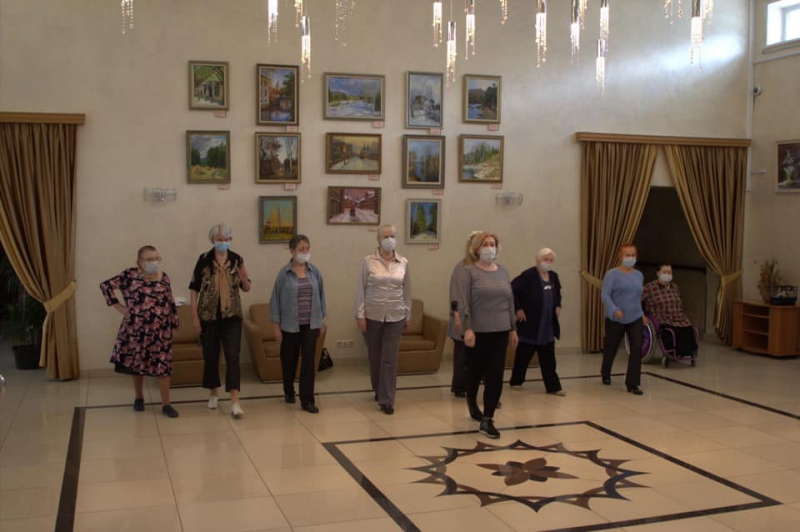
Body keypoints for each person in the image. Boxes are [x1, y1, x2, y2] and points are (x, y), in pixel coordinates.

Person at [100, 245, 180, 418]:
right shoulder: (129, 275)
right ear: (140, 261)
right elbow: (105, 286)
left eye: (157, 259)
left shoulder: (164, 277)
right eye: (150, 259)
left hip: (161, 331)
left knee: (164, 367)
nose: (154, 262)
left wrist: (174, 324)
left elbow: (170, 301)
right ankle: (139, 398)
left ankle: (166, 405)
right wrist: (119, 307)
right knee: (137, 365)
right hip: (136, 330)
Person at [457, 232, 518, 439]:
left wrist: (513, 328)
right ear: (476, 248)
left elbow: (510, 301)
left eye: (493, 244)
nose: (490, 248)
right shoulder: (468, 272)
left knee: (495, 375)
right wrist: (467, 328)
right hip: (478, 331)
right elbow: (464, 303)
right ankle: (472, 403)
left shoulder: (503, 271)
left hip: (500, 330)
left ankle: (488, 418)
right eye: (485, 244)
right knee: (474, 372)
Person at [189, 224, 252, 418]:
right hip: (208, 316)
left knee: (233, 356)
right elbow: (194, 288)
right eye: (219, 239)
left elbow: (246, 288)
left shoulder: (237, 259)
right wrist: (194, 316)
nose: (223, 242)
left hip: (232, 316)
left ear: (230, 240)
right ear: (213, 240)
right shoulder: (204, 259)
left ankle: (235, 402)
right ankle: (213, 393)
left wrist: (244, 279)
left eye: (226, 239)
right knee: (211, 356)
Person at [355, 224, 411, 415]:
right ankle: (379, 390)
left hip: (396, 315)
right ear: (378, 239)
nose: (389, 239)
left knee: (390, 358)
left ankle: (387, 399)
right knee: (375, 357)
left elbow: (407, 291)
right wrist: (360, 315)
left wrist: (408, 314)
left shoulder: (403, 262)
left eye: (392, 236)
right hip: (373, 315)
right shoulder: (368, 261)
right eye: (385, 236)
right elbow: (361, 289)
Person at [270, 234, 327, 413]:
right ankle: (288, 390)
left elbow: (321, 296)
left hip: (310, 324)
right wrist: (276, 325)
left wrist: (321, 320)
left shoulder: (314, 271)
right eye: (301, 249)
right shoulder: (284, 273)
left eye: (307, 249)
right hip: (290, 325)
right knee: (289, 360)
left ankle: (307, 400)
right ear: (292, 251)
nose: (305, 252)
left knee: (309, 361)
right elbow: (275, 299)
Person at [510, 247, 564, 395]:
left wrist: (558, 305)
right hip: (530, 324)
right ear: (538, 260)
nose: (548, 262)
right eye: (546, 259)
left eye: (551, 260)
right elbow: (512, 290)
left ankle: (553, 387)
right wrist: (518, 308)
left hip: (547, 325)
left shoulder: (553, 276)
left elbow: (557, 294)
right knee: (523, 357)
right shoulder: (528, 275)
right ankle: (516, 381)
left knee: (549, 359)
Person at [600, 243, 646, 395]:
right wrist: (614, 310)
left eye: (633, 255)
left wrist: (642, 314)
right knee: (611, 347)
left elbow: (638, 298)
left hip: (635, 317)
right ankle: (606, 372)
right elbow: (605, 295)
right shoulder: (612, 274)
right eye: (627, 255)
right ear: (620, 256)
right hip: (616, 317)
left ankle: (633, 383)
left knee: (637, 347)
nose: (630, 258)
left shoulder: (639, 275)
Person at [448, 230, 482, 398]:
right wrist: (458, 316)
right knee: (462, 353)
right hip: (463, 316)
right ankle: (460, 385)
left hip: (482, 317)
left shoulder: (487, 267)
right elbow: (457, 295)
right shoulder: (462, 267)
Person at [642, 263, 698, 358]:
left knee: (689, 330)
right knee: (672, 332)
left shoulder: (675, 287)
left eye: (669, 272)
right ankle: (673, 352)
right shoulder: (650, 288)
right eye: (664, 272)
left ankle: (689, 352)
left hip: (679, 318)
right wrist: (642, 315)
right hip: (663, 318)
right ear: (658, 273)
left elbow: (680, 301)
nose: (667, 274)